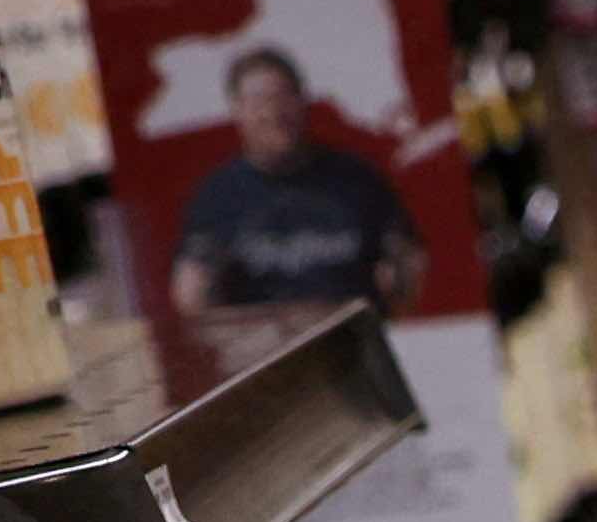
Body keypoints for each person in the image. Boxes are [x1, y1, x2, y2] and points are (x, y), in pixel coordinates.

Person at [167, 46, 417, 325]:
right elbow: (190, 296)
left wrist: (398, 280)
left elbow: (406, 262)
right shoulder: (217, 197)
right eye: (259, 101)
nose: (274, 112)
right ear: (237, 110)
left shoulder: (357, 179)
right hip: (267, 355)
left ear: (302, 101)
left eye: (283, 97)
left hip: (353, 347)